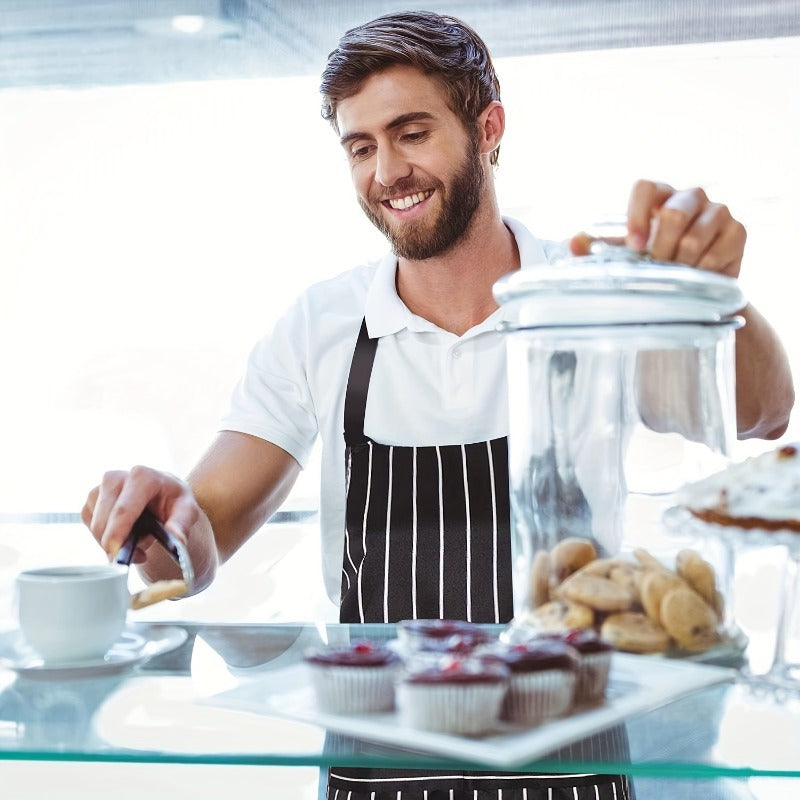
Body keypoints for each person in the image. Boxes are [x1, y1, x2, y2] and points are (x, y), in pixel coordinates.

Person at [82, 10, 794, 800]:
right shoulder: (322, 325)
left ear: (487, 128)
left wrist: (715, 292)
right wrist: (158, 524)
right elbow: (198, 541)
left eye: (411, 133)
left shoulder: (583, 296)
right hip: (375, 771)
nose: (387, 171)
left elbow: (764, 411)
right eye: (361, 146)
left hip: (569, 764)